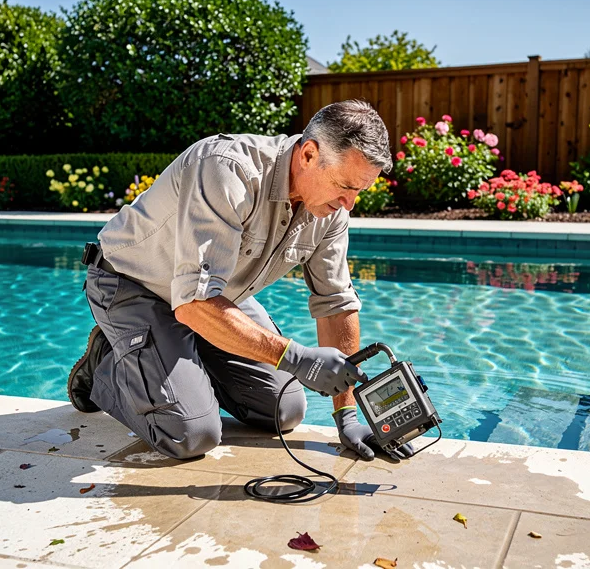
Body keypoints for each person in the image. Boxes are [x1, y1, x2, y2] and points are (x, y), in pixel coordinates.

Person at [68, 99, 415, 462]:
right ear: (309, 155)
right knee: (190, 434)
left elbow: (336, 305)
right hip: (133, 283)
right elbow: (194, 303)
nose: (349, 203)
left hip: (212, 296)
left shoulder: (330, 210)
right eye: (345, 186)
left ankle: (176, 360)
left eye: (359, 191)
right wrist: (295, 358)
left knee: (286, 411)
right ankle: (106, 364)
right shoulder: (228, 170)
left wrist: (346, 416)